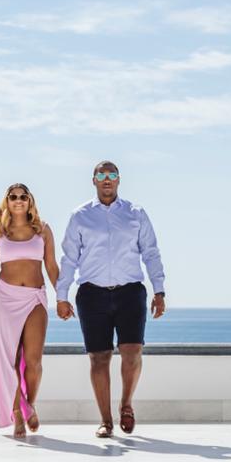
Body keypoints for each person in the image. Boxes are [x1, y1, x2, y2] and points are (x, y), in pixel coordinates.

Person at [56, 161, 166, 438]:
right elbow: (69, 258)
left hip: (130, 291)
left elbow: (150, 252)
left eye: (112, 174)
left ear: (119, 180)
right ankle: (106, 420)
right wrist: (61, 295)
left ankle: (126, 404)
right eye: (101, 175)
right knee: (99, 358)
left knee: (132, 352)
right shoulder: (80, 216)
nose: (107, 179)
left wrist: (159, 290)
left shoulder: (135, 214)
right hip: (92, 294)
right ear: (93, 180)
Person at [0, 183, 60, 438]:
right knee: (10, 361)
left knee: (33, 362)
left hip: (35, 296)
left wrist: (64, 297)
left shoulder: (42, 230)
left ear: (30, 201)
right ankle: (17, 413)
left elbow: (51, 265)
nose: (18, 200)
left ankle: (29, 404)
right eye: (13, 197)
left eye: (23, 197)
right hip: (5, 298)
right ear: (6, 202)